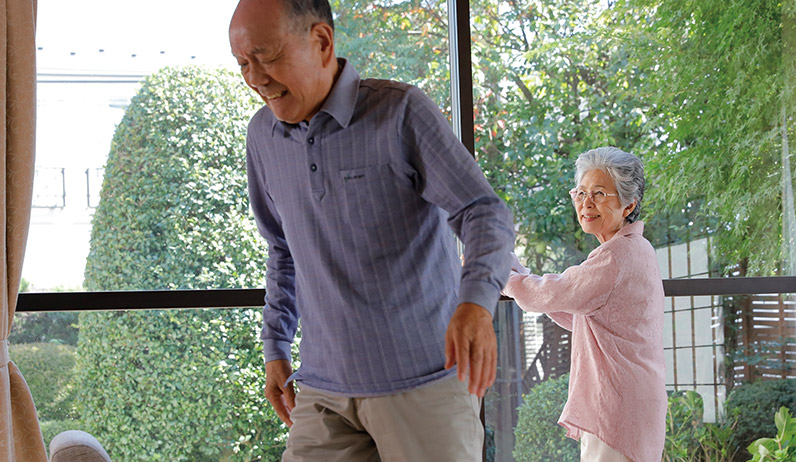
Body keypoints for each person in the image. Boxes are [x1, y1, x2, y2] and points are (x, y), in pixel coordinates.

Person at [228, 0, 515, 460]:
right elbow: (283, 250)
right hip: (323, 390)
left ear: (321, 42)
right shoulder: (263, 136)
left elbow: (483, 211)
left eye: (267, 56)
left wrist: (476, 304)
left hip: (426, 384)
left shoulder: (399, 111)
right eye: (243, 63)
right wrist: (275, 345)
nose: (255, 78)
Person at [503, 147, 666, 462]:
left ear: (629, 204)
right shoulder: (639, 248)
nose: (586, 203)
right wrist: (518, 273)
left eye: (600, 194)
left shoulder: (615, 256)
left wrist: (503, 277)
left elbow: (553, 293)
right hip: (636, 399)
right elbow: (579, 311)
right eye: (581, 193)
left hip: (617, 404)